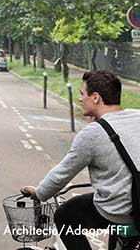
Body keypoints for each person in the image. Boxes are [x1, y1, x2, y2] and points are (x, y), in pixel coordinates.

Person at [22, 70, 140, 250]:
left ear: (95, 98)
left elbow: (62, 174)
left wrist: (39, 193)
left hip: (120, 212)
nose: (79, 99)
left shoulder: (92, 133)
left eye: (82, 94)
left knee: (65, 215)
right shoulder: (137, 116)